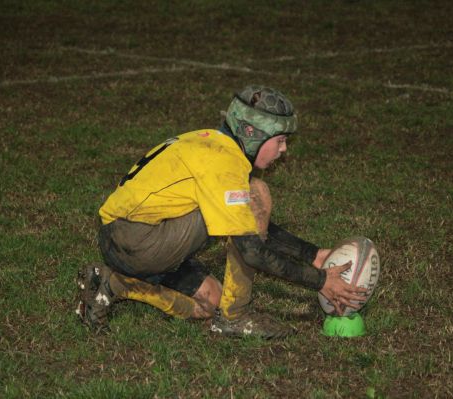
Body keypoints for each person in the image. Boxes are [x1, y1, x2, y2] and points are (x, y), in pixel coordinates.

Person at [76, 85, 367, 339]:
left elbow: (244, 220)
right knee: (256, 194)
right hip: (137, 239)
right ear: (251, 133)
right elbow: (250, 246)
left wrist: (312, 255)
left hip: (128, 238)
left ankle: (112, 283)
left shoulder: (213, 142)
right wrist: (320, 281)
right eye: (279, 140)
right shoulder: (224, 162)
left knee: (208, 301)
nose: (284, 149)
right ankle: (235, 317)